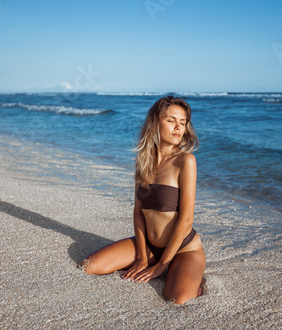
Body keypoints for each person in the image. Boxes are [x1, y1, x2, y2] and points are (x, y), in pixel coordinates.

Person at [80, 96, 206, 305]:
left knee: (177, 299)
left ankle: (189, 278)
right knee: (90, 266)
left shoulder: (185, 161)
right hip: (150, 246)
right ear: (155, 123)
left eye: (182, 123)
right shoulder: (144, 162)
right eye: (171, 120)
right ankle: (166, 268)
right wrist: (142, 256)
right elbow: (138, 211)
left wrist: (162, 265)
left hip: (184, 248)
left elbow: (186, 219)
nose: (178, 127)